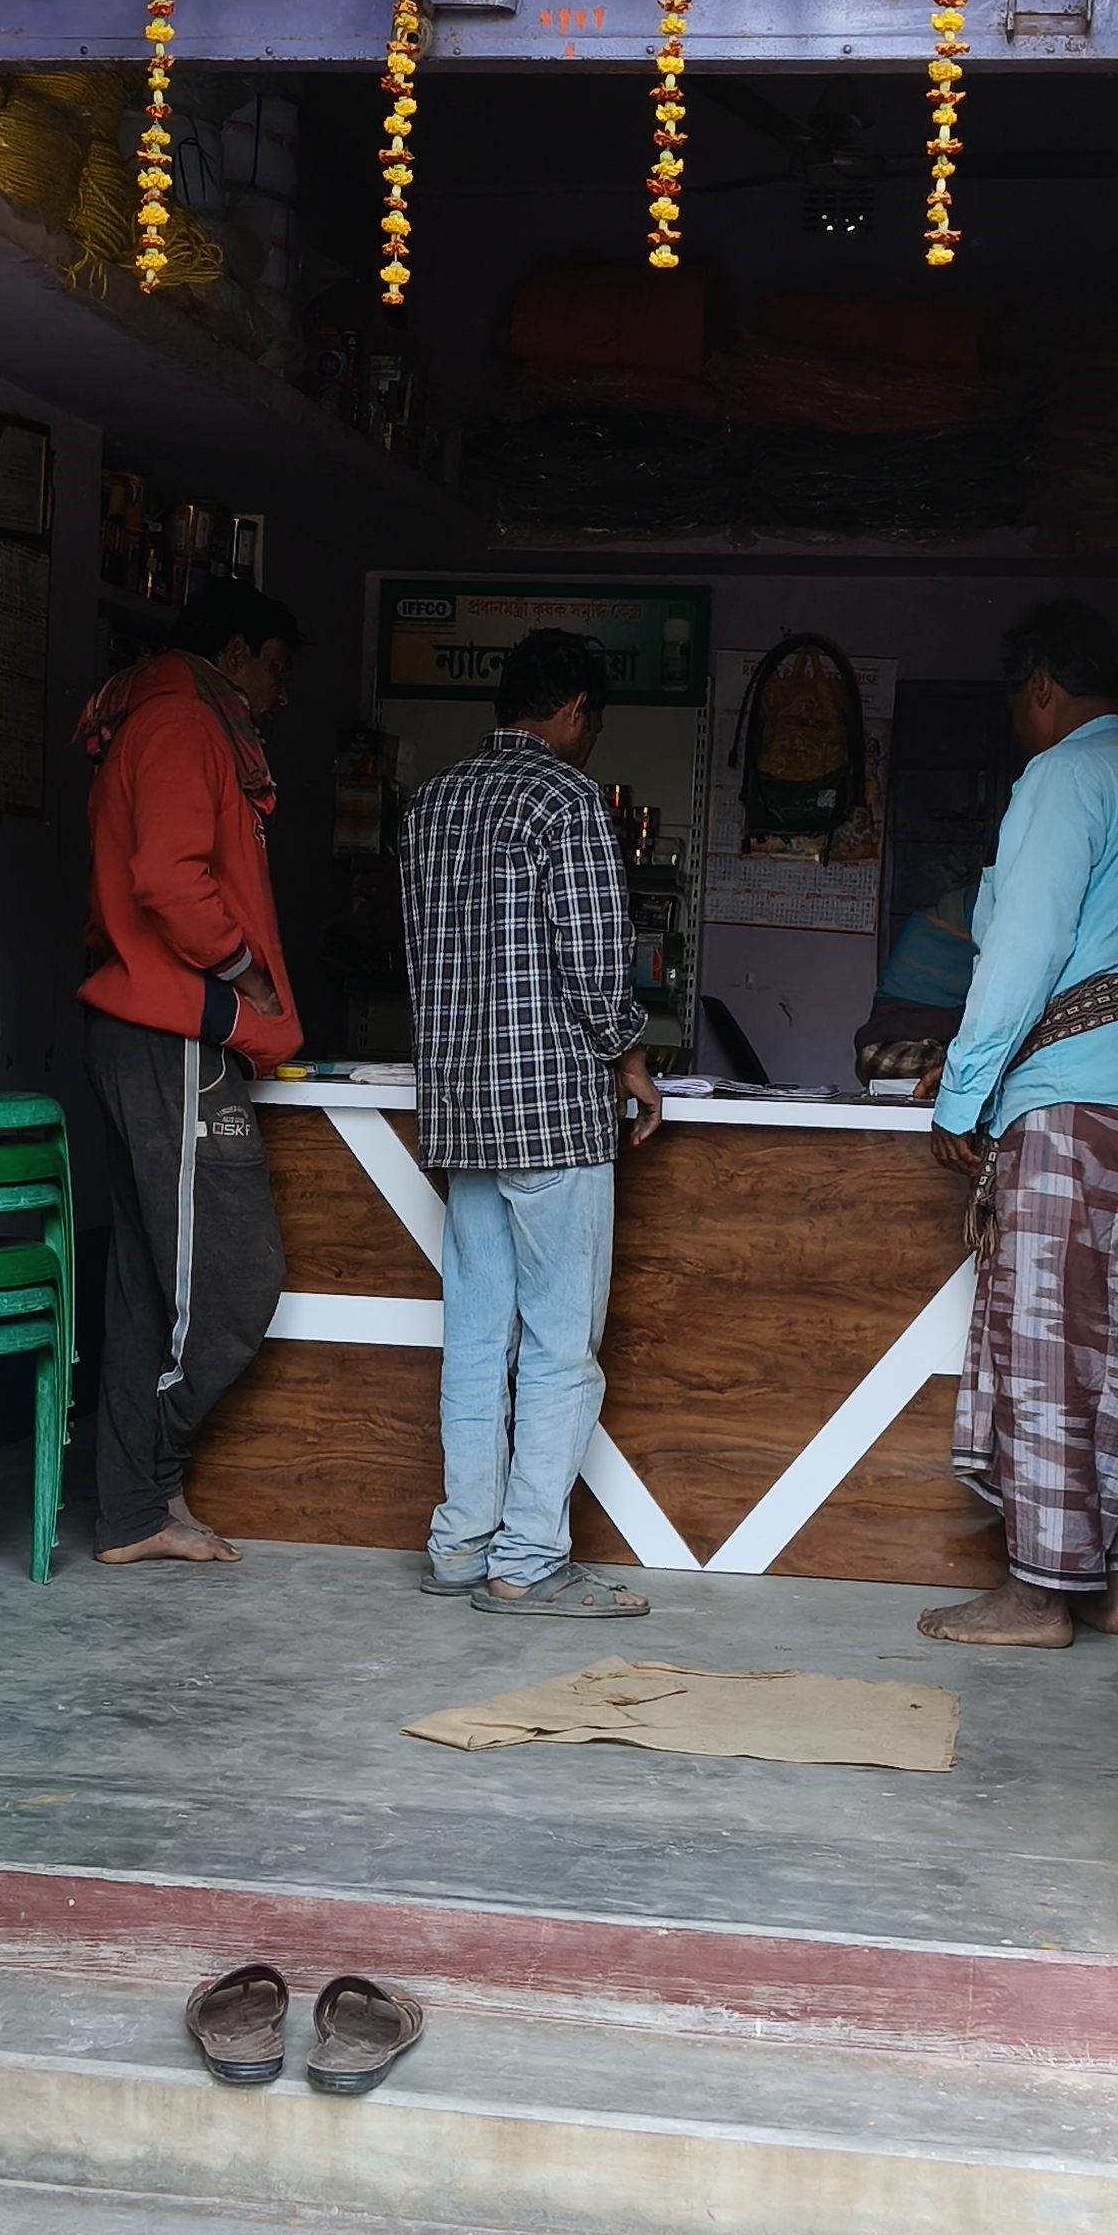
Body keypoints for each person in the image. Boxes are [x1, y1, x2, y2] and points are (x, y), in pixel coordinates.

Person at [920, 598, 1118, 1650]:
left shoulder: (1066, 776)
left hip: (1064, 1102)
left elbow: (1021, 947)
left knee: (1047, 1352)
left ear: (1040, 690)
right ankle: (1114, 1587)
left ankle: (1036, 1595)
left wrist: (962, 1090)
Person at [400, 624, 663, 1617]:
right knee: (559, 1345)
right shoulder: (567, 800)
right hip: (553, 1115)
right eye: (594, 720)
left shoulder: (430, 804)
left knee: (476, 1336)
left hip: (462, 1115)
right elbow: (596, 966)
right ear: (574, 711)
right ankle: (528, 1561)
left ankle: (461, 1544)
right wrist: (632, 1057)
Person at [75, 579, 303, 1566]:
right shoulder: (181, 723)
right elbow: (168, 878)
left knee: (149, 1286)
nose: (281, 695)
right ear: (236, 653)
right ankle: (145, 1476)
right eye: (275, 669)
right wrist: (246, 971)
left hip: (155, 1029)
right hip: (171, 1030)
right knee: (235, 1280)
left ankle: (136, 1509)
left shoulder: (169, 717)